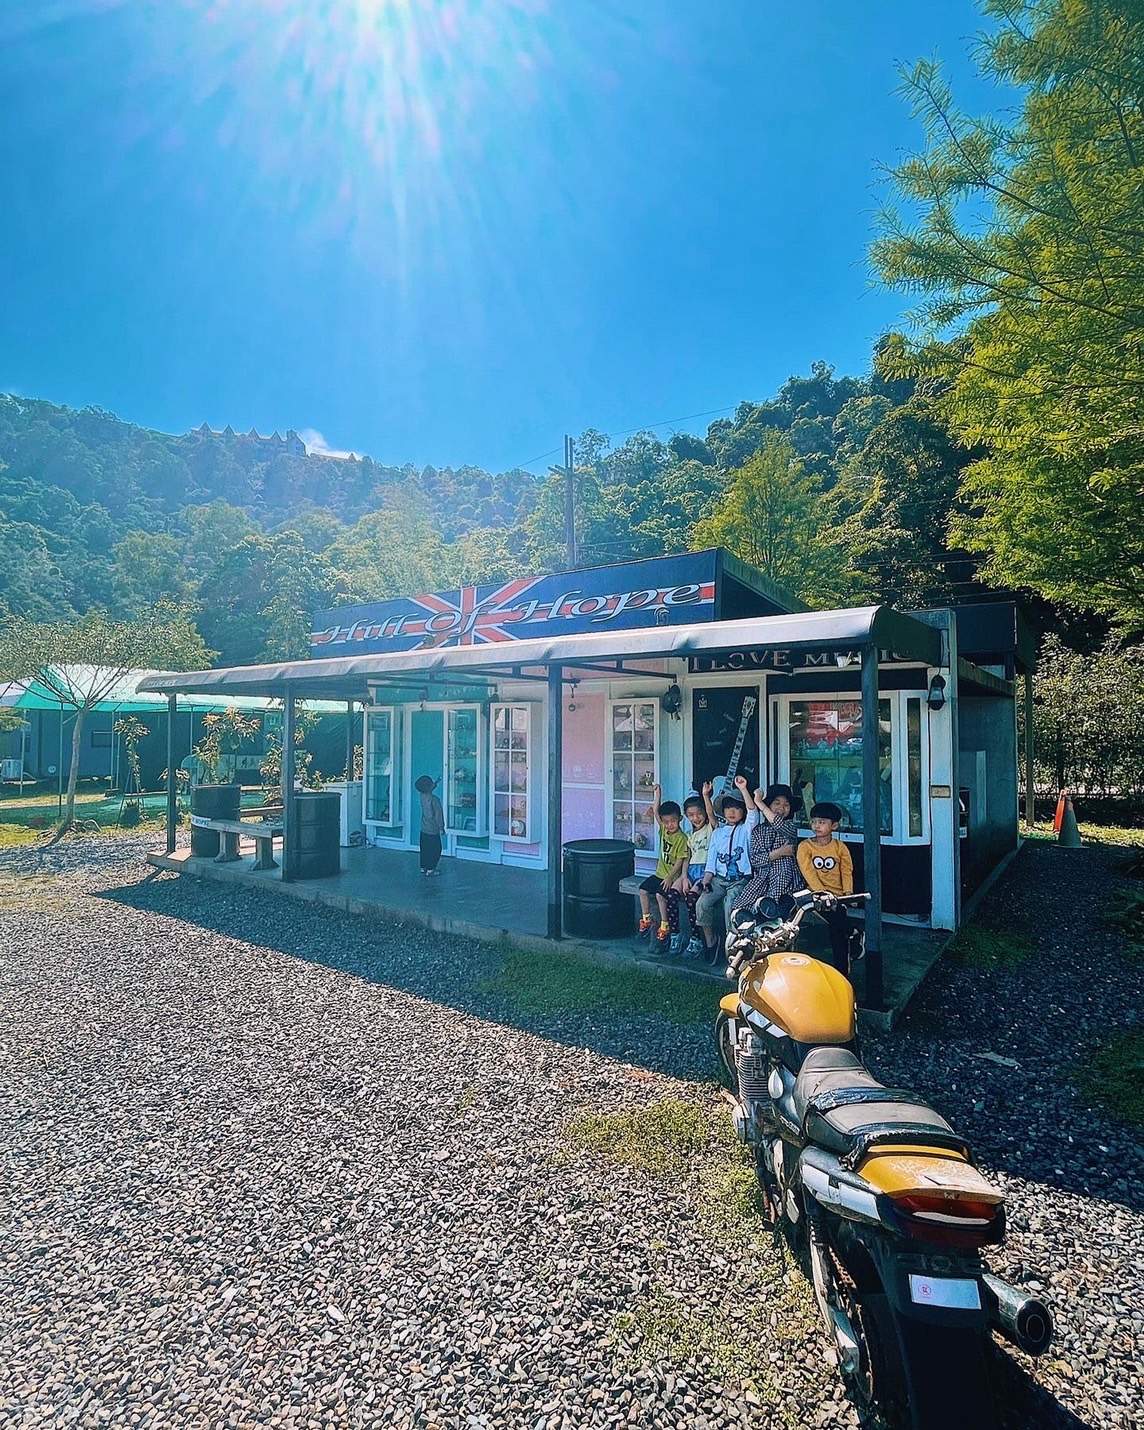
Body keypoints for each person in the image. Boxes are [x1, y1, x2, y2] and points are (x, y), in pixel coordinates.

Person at [796, 801, 863, 974]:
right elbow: (808, 872)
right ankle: (854, 933)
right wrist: (822, 894)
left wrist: (849, 893)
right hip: (815, 895)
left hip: (838, 896)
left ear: (834, 825)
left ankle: (842, 970)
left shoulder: (840, 847)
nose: (817, 826)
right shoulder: (805, 847)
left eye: (822, 822)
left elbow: (847, 871)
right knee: (837, 921)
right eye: (814, 821)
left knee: (837, 927)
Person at [695, 783, 758, 961]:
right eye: (728, 808)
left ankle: (733, 948)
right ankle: (711, 942)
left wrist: (745, 789)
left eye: (737, 808)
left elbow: (753, 812)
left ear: (743, 811)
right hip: (718, 879)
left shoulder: (746, 830)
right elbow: (711, 861)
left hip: (739, 880)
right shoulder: (718, 833)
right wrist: (706, 879)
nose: (732, 812)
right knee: (702, 904)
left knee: (730, 906)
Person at [732, 778, 800, 914]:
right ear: (769, 805)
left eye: (786, 805)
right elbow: (755, 860)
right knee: (739, 906)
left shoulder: (791, 826)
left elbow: (778, 824)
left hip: (785, 880)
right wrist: (779, 853)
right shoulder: (758, 830)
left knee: (771, 908)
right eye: (777, 803)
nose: (781, 808)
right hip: (761, 878)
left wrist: (759, 803)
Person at [637, 784, 690, 952]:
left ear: (680, 819)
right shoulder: (663, 831)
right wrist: (658, 794)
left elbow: (681, 860)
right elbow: (656, 811)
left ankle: (665, 925)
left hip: (671, 878)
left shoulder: (682, 838)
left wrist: (670, 876)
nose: (669, 825)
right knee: (643, 890)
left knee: (660, 896)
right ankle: (646, 919)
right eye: (666, 822)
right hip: (659, 874)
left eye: (673, 821)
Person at [664, 792, 712, 958]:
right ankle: (675, 934)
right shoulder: (689, 836)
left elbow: (712, 816)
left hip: (704, 872)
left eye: (699, 814)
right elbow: (687, 858)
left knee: (692, 898)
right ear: (686, 816)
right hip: (690, 871)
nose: (696, 818)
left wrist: (706, 796)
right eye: (691, 815)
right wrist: (684, 877)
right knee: (671, 894)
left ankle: (696, 939)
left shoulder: (710, 829)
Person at [414, 774, 445, 877]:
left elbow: (429, 788)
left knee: (425, 849)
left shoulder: (422, 796)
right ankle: (431, 869)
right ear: (429, 787)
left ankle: (423, 867)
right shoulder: (434, 799)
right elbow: (438, 815)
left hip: (424, 828)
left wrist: (437, 781)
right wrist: (441, 828)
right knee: (436, 849)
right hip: (433, 829)